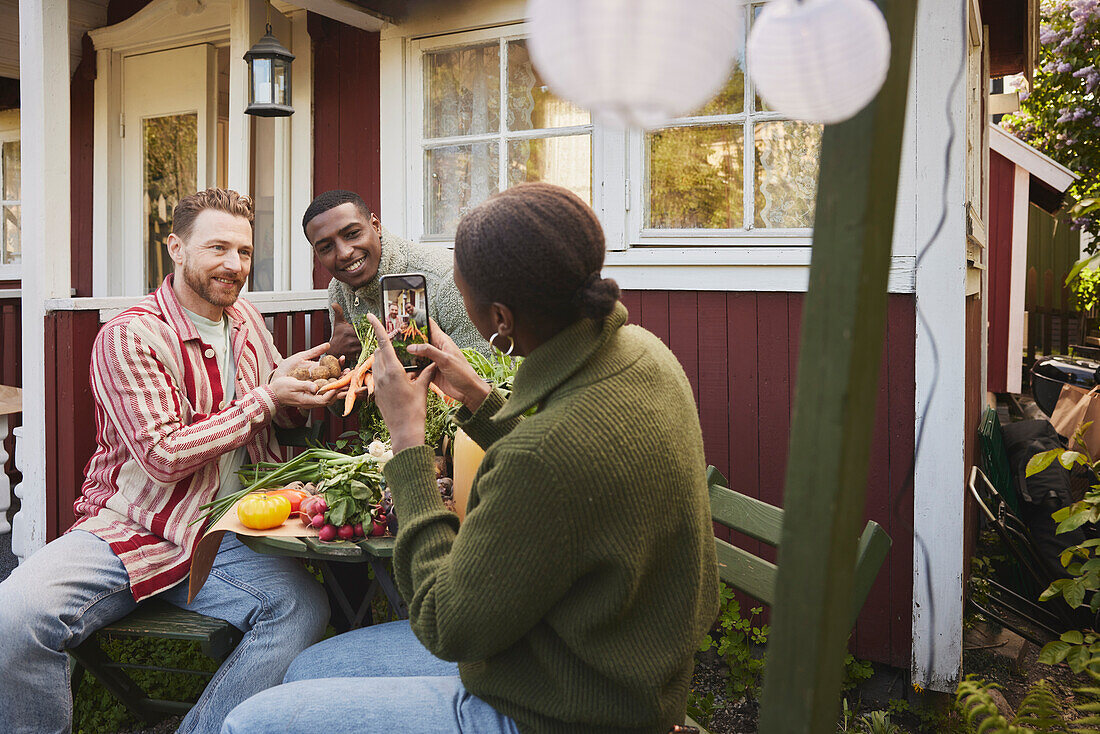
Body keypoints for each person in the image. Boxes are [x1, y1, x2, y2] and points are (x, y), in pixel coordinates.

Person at [221, 183, 720, 734]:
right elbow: (565, 459)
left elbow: (445, 625)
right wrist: (478, 398)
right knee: (311, 666)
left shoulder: (541, 458)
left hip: (562, 707)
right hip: (613, 652)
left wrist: (407, 444)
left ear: (500, 319)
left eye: (461, 295)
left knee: (250, 723)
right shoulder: (645, 353)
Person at [0, 189, 337, 734]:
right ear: (176, 248)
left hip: (222, 535)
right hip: (131, 526)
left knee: (302, 608)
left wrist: (298, 397)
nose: (234, 265)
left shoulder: (246, 321)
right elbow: (164, 456)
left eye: (245, 252)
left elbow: (273, 413)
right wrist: (266, 399)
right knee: (12, 618)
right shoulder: (129, 335)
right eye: (218, 248)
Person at [302, 189, 487, 362]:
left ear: (376, 226)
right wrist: (334, 355)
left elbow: (487, 374)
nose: (344, 253)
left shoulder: (445, 277)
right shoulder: (338, 289)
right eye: (326, 247)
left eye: (352, 234)